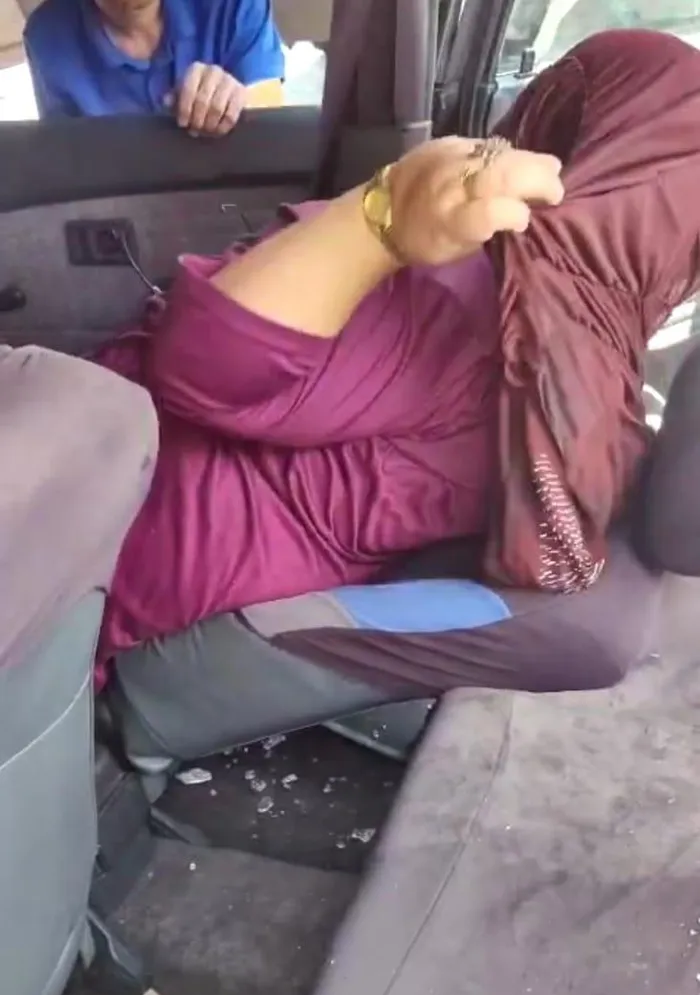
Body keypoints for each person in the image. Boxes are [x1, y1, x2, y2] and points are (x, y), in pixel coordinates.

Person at [93, 28, 700, 677]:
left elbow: (205, 368)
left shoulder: (457, 291)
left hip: (96, 563)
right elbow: (552, 554)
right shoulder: (599, 405)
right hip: (158, 583)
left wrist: (373, 224)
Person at [24, 0, 284, 132]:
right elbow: (68, 157)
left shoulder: (231, 4)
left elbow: (273, 120)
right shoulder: (47, 36)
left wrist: (234, 102)